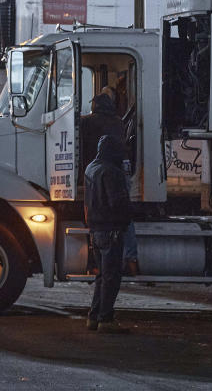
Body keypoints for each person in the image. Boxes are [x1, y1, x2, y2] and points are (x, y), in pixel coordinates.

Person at [81, 86, 139, 276]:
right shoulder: (118, 122)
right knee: (123, 216)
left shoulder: (87, 122)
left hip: (98, 173)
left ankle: (96, 262)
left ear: (95, 106)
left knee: (96, 218)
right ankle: (131, 259)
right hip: (120, 171)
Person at [84, 134, 132, 334]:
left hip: (96, 230)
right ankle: (106, 320)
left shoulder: (91, 168)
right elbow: (117, 202)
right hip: (111, 230)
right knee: (111, 277)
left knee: (102, 277)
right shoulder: (112, 172)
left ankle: (93, 317)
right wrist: (129, 216)